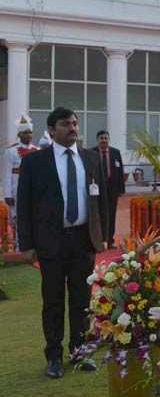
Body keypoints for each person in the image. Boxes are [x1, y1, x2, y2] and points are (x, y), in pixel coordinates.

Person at [17, 107, 105, 378]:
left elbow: (99, 202)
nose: (73, 128)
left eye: (75, 124)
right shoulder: (35, 162)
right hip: (50, 242)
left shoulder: (90, 158)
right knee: (53, 301)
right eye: (66, 124)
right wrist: (27, 245)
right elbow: (25, 205)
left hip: (82, 242)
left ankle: (80, 352)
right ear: (52, 129)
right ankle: (53, 357)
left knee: (82, 301)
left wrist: (99, 240)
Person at [4, 113, 39, 250]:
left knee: (34, 217)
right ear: (19, 134)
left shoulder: (37, 151)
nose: (29, 135)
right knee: (18, 219)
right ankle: (19, 247)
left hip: (34, 191)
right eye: (25, 132)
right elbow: (6, 173)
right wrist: (7, 194)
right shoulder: (11, 151)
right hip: (16, 190)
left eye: (30, 132)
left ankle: (34, 245)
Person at [94, 130, 125, 249]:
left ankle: (110, 240)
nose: (104, 140)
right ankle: (98, 240)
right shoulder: (92, 153)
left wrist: (121, 189)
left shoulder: (115, 152)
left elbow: (120, 171)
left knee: (111, 215)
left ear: (109, 139)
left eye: (106, 138)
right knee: (97, 215)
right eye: (101, 138)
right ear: (97, 140)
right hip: (96, 189)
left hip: (112, 189)